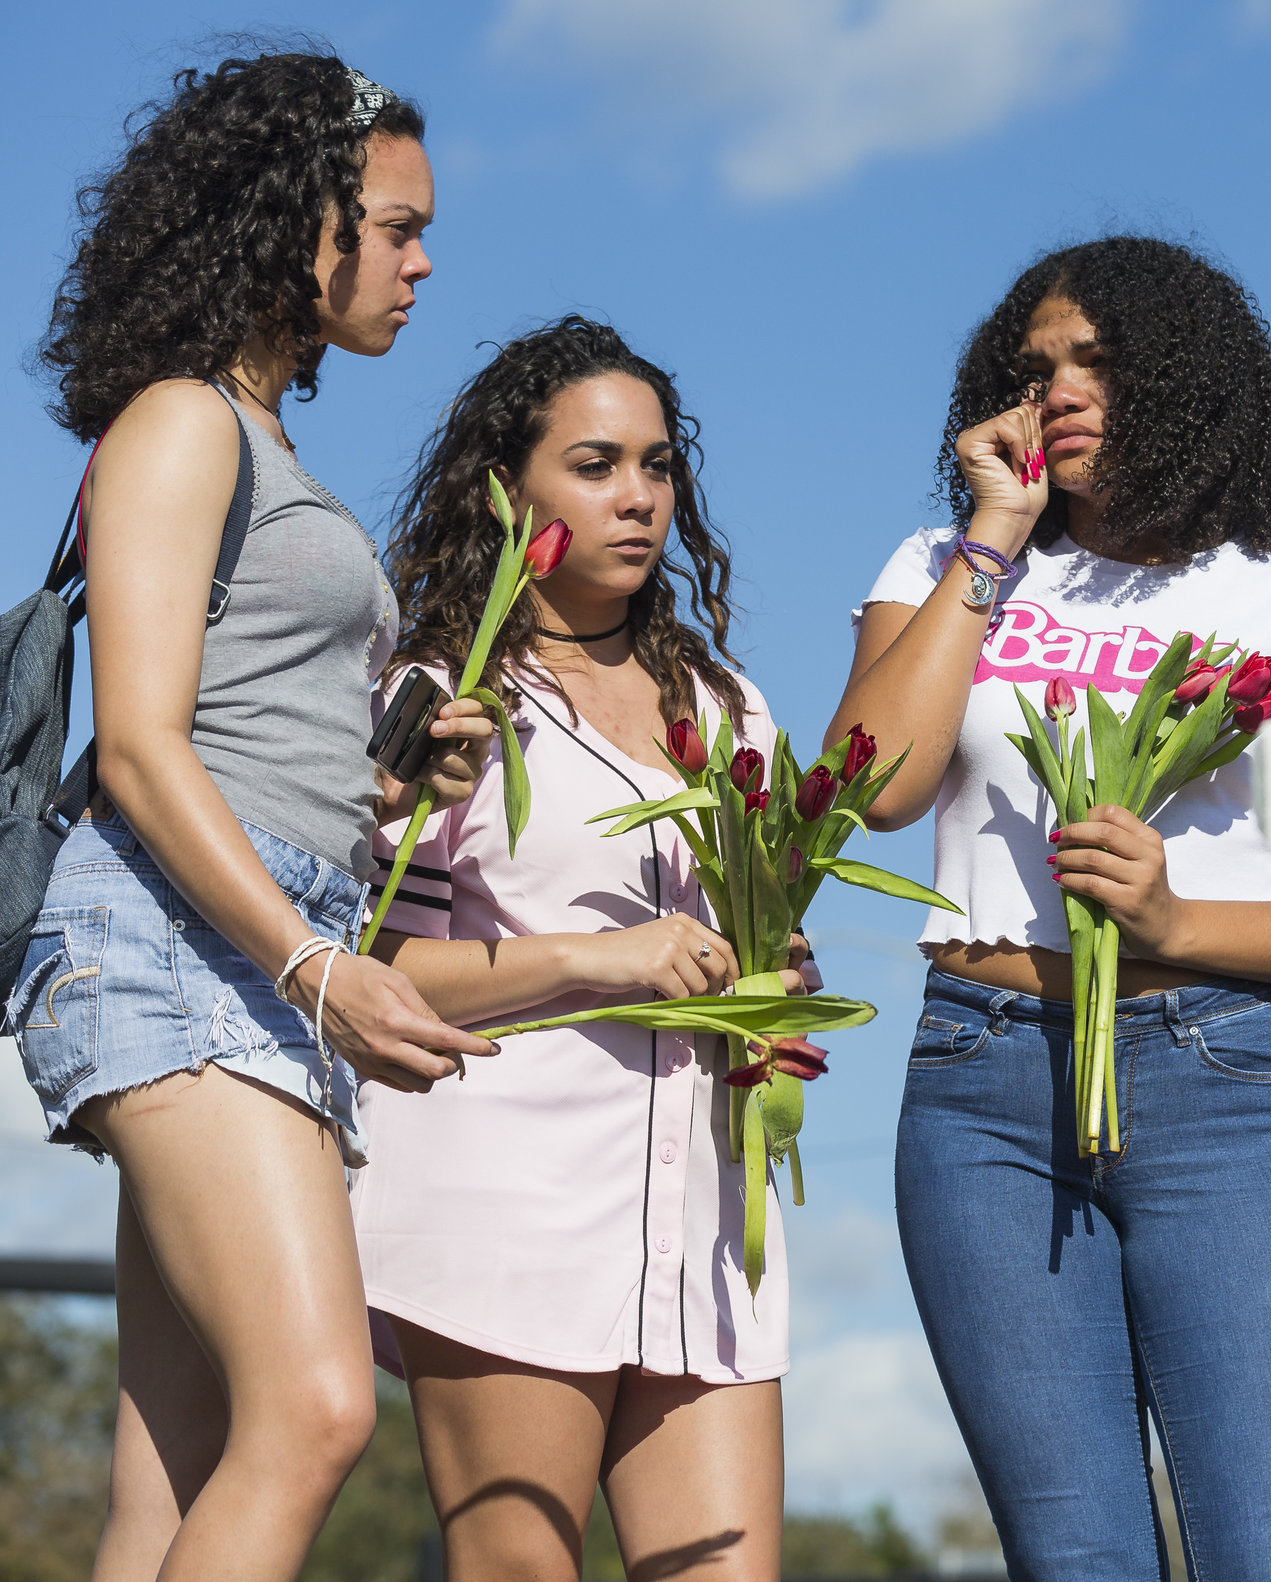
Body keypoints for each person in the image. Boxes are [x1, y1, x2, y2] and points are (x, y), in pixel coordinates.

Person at [832, 235, 1271, 1580]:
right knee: (1078, 1563)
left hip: (1222, 1084)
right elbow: (873, 787)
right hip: (980, 1089)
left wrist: (1177, 923)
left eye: (1097, 363)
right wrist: (991, 540)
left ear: (1184, 380)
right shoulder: (939, 561)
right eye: (1036, 365)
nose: (1058, 388)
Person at [9, 51, 496, 1582]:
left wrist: (392, 783)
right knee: (313, 1405)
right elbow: (144, 749)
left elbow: (242, 740)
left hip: (249, 939)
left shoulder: (268, 445)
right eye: (396, 225)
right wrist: (316, 966)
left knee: (179, 1478)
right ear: (299, 221)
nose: (423, 263)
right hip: (178, 947)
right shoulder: (179, 422)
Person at [354, 318, 810, 1582]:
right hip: (505, 1204)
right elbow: (383, 983)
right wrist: (599, 960)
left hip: (708, 1221)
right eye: (597, 465)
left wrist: (775, 978)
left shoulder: (724, 707)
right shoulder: (442, 694)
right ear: (511, 493)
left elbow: (760, 931)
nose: (640, 499)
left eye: (658, 467)